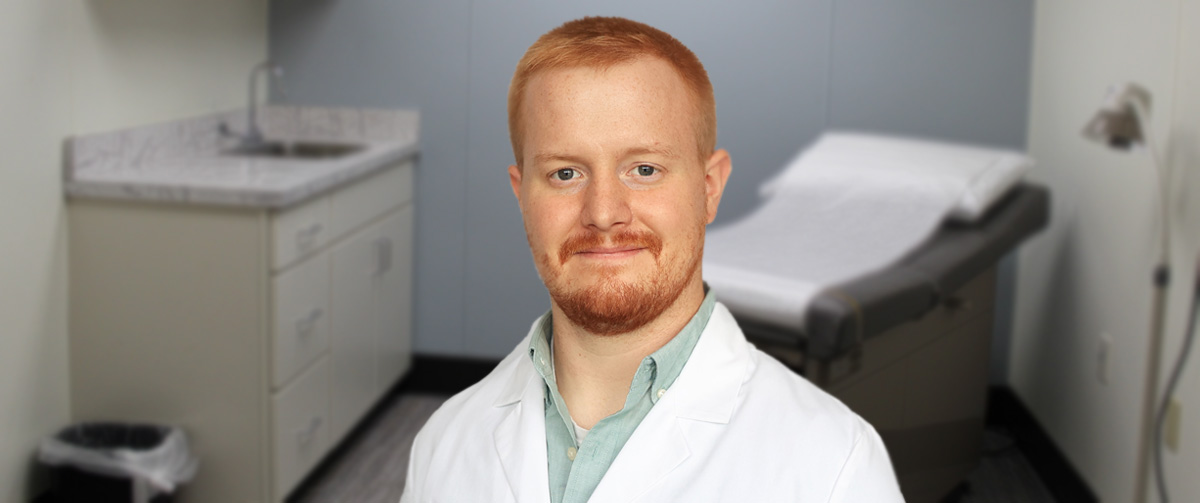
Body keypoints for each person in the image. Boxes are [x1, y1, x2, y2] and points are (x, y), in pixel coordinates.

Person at [401, 16, 903, 503]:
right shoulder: (445, 440)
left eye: (644, 169)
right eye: (564, 174)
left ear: (709, 189)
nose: (603, 213)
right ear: (521, 195)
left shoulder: (834, 467)